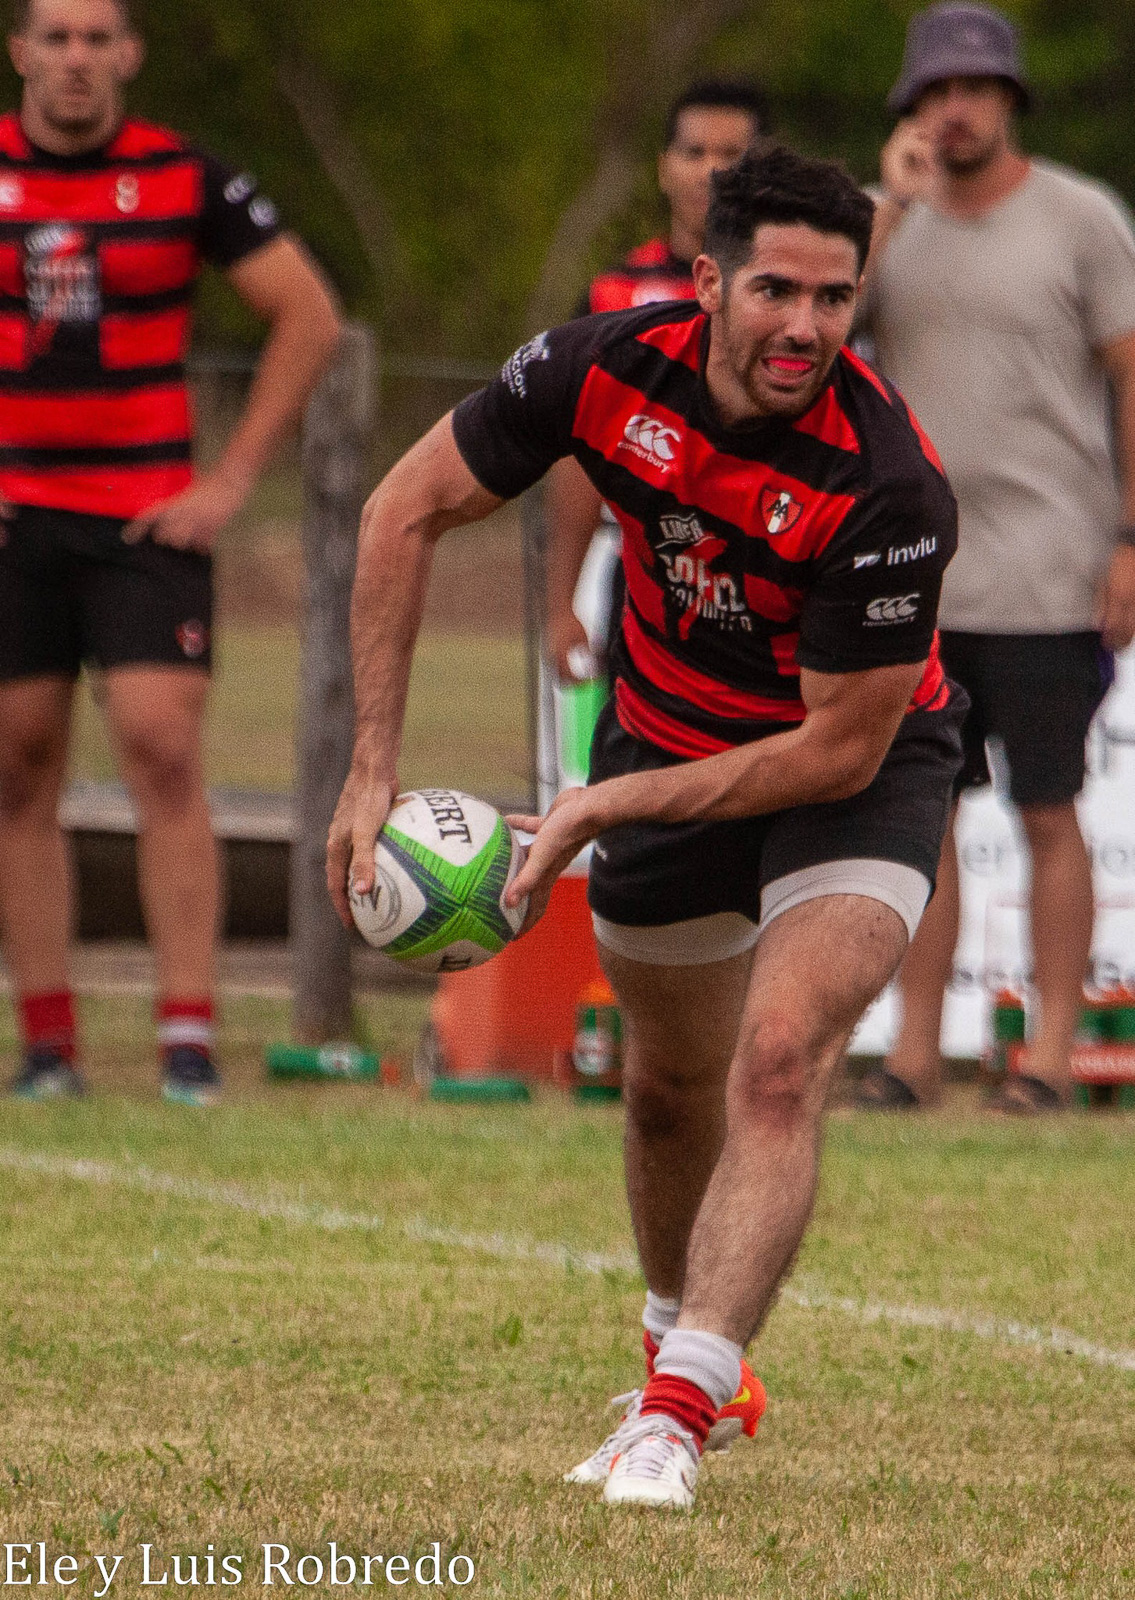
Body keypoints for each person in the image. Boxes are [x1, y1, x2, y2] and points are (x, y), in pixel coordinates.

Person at [329, 144, 962, 1509]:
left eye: (834, 299)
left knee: (778, 1061)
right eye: (775, 291)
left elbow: (834, 744)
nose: (803, 327)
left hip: (856, 772)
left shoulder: (885, 482)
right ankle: (675, 1330)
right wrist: (369, 767)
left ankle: (674, 1409)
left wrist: (595, 805)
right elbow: (401, 511)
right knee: (668, 1085)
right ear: (705, 284)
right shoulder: (598, 367)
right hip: (666, 742)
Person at [0, 0, 341, 1104]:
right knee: (18, 763)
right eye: (55, 36)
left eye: (98, 38)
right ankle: (48, 1045)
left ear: (130, 56)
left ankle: (187, 1040)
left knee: (161, 746)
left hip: (147, 517)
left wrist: (231, 479)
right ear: (19, 52)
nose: (76, 59)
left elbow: (309, 314)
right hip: (17, 516)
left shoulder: (188, 177)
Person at [855, 1, 1135, 1114]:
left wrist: (1127, 536)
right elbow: (824, 332)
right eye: (935, 92)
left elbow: (1129, 379)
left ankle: (1048, 1058)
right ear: (911, 108)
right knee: (922, 815)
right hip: (919, 573)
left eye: (975, 90)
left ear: (1009, 100)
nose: (955, 109)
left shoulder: (1080, 219)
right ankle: (914, 1056)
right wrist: (889, 206)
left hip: (1049, 566)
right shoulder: (887, 223)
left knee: (1048, 809)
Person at [546, 77, 769, 684]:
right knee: (631, 761)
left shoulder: (796, 296)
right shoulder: (613, 294)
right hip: (645, 566)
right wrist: (559, 600)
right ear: (664, 167)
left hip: (770, 569)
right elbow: (575, 452)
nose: (710, 172)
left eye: (731, 156)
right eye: (694, 153)